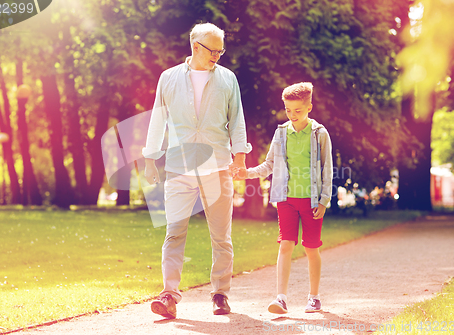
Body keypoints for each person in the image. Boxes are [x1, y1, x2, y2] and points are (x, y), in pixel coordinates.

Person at [142, 22, 252, 319]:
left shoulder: (228, 79)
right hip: (179, 168)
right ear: (195, 46)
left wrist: (239, 158)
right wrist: (151, 158)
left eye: (221, 50)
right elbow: (157, 120)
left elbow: (237, 120)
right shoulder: (168, 78)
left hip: (217, 167)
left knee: (221, 236)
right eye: (213, 50)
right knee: (174, 232)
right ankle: (168, 294)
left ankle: (220, 293)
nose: (217, 55)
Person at [236, 82, 332, 314]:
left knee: (311, 248)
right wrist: (247, 173)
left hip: (311, 200)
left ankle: (314, 297)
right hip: (286, 199)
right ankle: (280, 298)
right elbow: (270, 164)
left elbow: (326, 169)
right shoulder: (281, 133)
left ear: (309, 107)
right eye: (288, 110)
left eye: (298, 111)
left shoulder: (319, 134)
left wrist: (324, 200)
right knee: (285, 245)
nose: (293, 115)